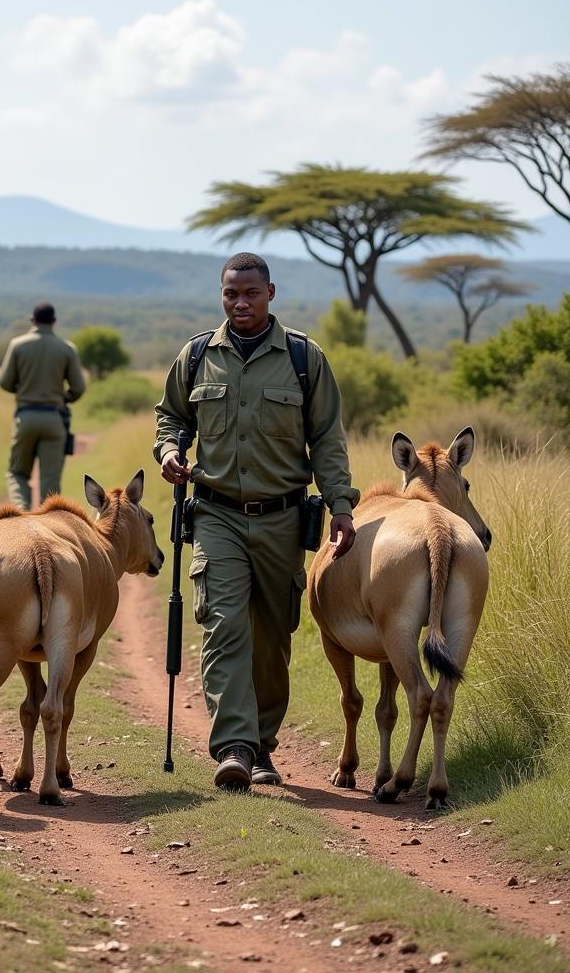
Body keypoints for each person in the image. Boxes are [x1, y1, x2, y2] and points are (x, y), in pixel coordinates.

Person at [154, 252, 357, 792]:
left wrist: (340, 504)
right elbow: (170, 414)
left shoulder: (302, 359)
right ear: (222, 295)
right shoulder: (198, 355)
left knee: (272, 638)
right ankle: (236, 748)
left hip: (283, 519)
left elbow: (328, 439)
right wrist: (169, 450)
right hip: (216, 513)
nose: (240, 303)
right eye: (230, 294)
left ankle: (264, 745)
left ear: (271, 293)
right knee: (223, 626)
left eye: (250, 293)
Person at [0, 301, 86, 510]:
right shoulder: (66, 348)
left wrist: (23, 391)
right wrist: (64, 398)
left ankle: (21, 514)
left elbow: (4, 382)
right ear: (54, 322)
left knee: (17, 473)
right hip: (55, 420)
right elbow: (79, 387)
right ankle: (47, 525)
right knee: (50, 481)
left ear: (32, 320)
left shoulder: (18, 345)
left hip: (26, 417)